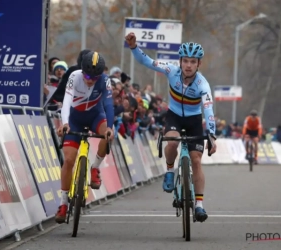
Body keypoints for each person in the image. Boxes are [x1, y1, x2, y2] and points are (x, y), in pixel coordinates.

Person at [125, 32, 217, 222]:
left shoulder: (203, 85)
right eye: (185, 61)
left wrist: (212, 136)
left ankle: (199, 205)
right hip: (174, 116)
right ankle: (169, 171)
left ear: (198, 64)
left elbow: (208, 110)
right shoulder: (170, 70)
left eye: (193, 61)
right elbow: (147, 61)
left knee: (196, 160)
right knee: (172, 142)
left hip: (193, 120)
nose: (188, 65)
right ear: (180, 61)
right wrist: (134, 46)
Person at [55, 51, 114, 224]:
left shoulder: (105, 80)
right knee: (68, 161)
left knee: (108, 134)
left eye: (94, 77)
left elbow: (109, 105)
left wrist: (109, 127)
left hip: (96, 116)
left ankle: (95, 168)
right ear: (82, 71)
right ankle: (63, 203)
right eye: (87, 75)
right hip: (75, 119)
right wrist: (64, 123)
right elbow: (66, 101)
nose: (90, 80)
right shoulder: (74, 76)